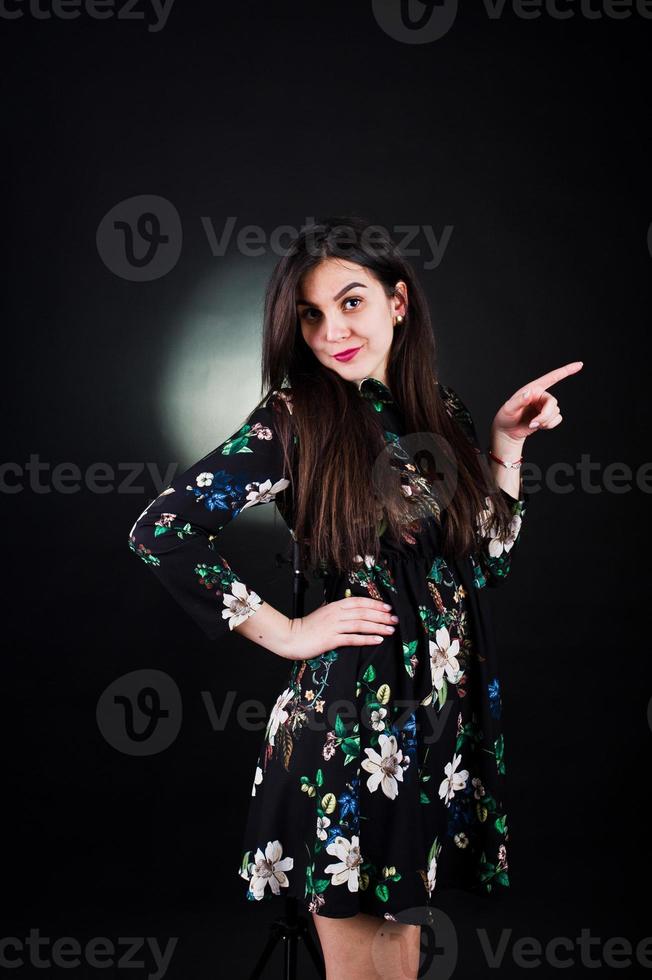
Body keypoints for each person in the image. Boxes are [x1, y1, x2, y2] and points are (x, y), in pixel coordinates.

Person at [128, 215, 582, 980]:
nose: (332, 330)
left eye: (351, 303)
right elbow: (159, 527)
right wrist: (288, 632)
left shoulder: (441, 411)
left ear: (397, 304)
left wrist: (506, 447)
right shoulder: (295, 419)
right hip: (351, 728)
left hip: (433, 730)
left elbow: (485, 561)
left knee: (397, 965)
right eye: (311, 314)